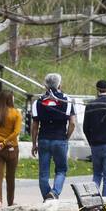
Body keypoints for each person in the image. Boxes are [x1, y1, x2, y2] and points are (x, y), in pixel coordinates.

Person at [29, 72, 76, 201]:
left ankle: (47, 196)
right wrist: (66, 137)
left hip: (44, 139)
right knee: (61, 169)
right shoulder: (67, 100)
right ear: (60, 84)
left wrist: (34, 143)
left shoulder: (38, 102)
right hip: (60, 138)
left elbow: (34, 125)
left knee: (43, 172)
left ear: (45, 85)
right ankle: (54, 192)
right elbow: (72, 123)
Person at [0, 89, 21, 210]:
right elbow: (16, 132)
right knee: (10, 177)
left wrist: (0, 141)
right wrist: (6, 142)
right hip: (12, 148)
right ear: (10, 99)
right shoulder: (15, 113)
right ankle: (10, 203)